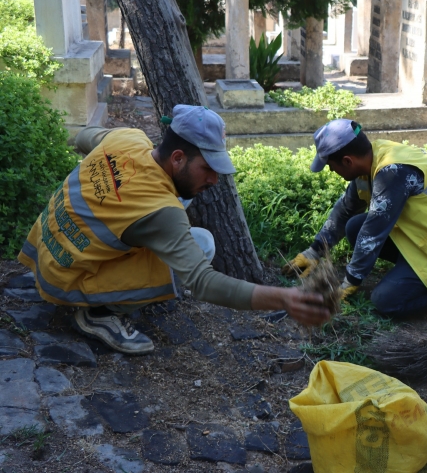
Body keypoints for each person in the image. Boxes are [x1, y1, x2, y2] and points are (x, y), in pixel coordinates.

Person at [18, 105, 330, 355]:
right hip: (64, 283)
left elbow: (86, 137)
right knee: (203, 244)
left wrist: (106, 186)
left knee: (179, 205)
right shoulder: (160, 211)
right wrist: (286, 298)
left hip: (45, 251)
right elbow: (204, 283)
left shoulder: (128, 139)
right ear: (178, 158)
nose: (214, 180)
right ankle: (96, 312)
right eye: (207, 169)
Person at [282, 119, 427, 322]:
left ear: (347, 161)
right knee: (354, 227)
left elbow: (373, 233)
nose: (330, 170)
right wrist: (314, 251)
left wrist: (350, 282)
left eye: (331, 165)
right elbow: (346, 209)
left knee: (385, 302)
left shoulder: (392, 172)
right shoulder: (373, 158)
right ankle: (412, 275)